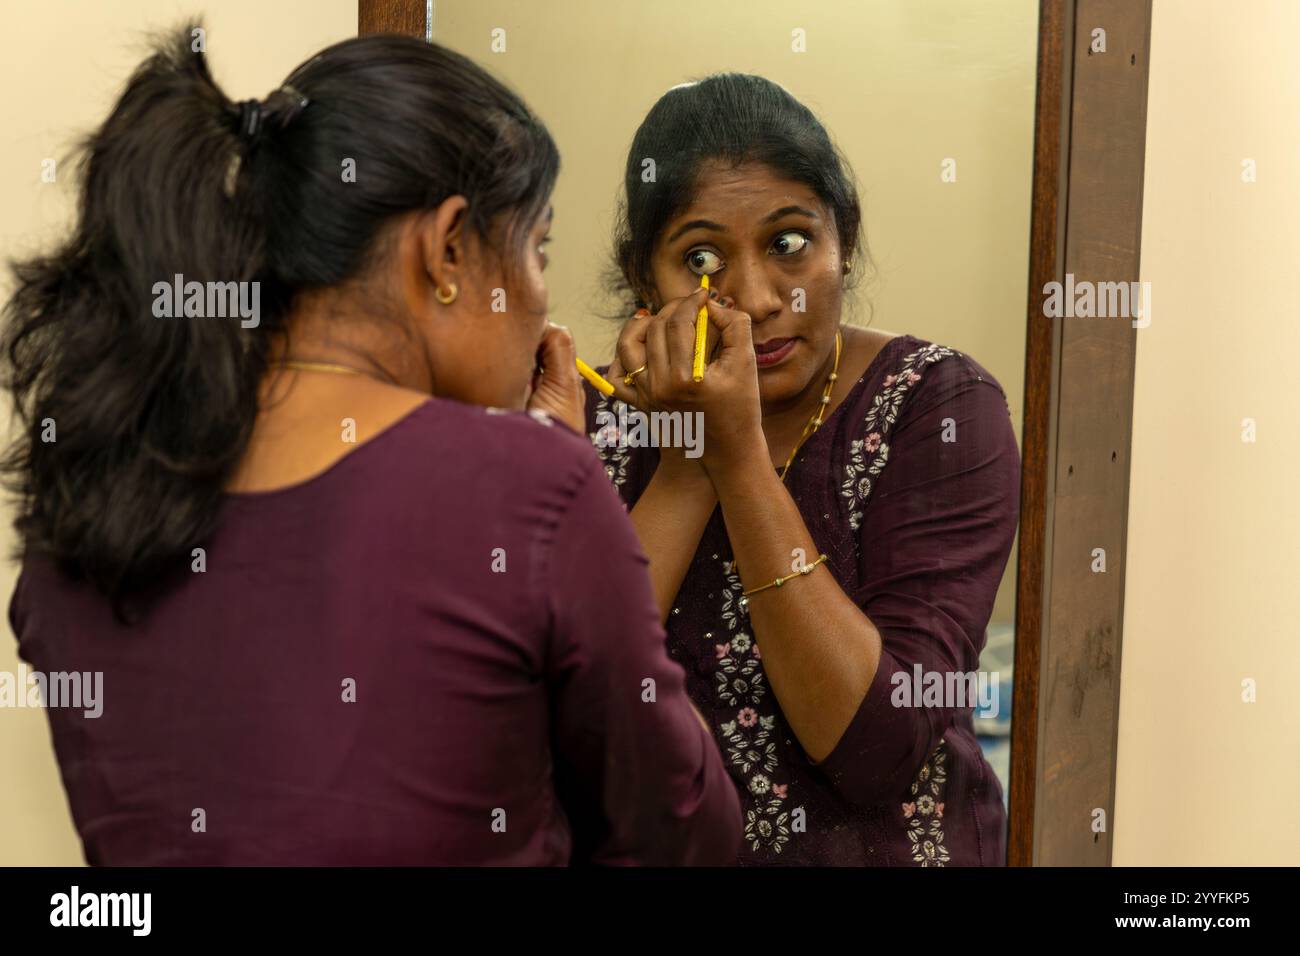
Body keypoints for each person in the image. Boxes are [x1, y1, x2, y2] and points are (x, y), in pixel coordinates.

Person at [3, 27, 740, 866]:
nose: (545, 306)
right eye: (538, 250)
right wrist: (552, 491)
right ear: (448, 248)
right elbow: (682, 831)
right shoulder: (531, 488)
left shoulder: (89, 506)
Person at [583, 73, 1020, 865]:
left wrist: (738, 458)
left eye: (789, 242)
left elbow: (877, 748)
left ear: (841, 241)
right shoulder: (600, 420)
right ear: (648, 279)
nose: (754, 296)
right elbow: (576, 715)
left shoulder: (940, 408)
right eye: (703, 257)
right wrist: (688, 461)